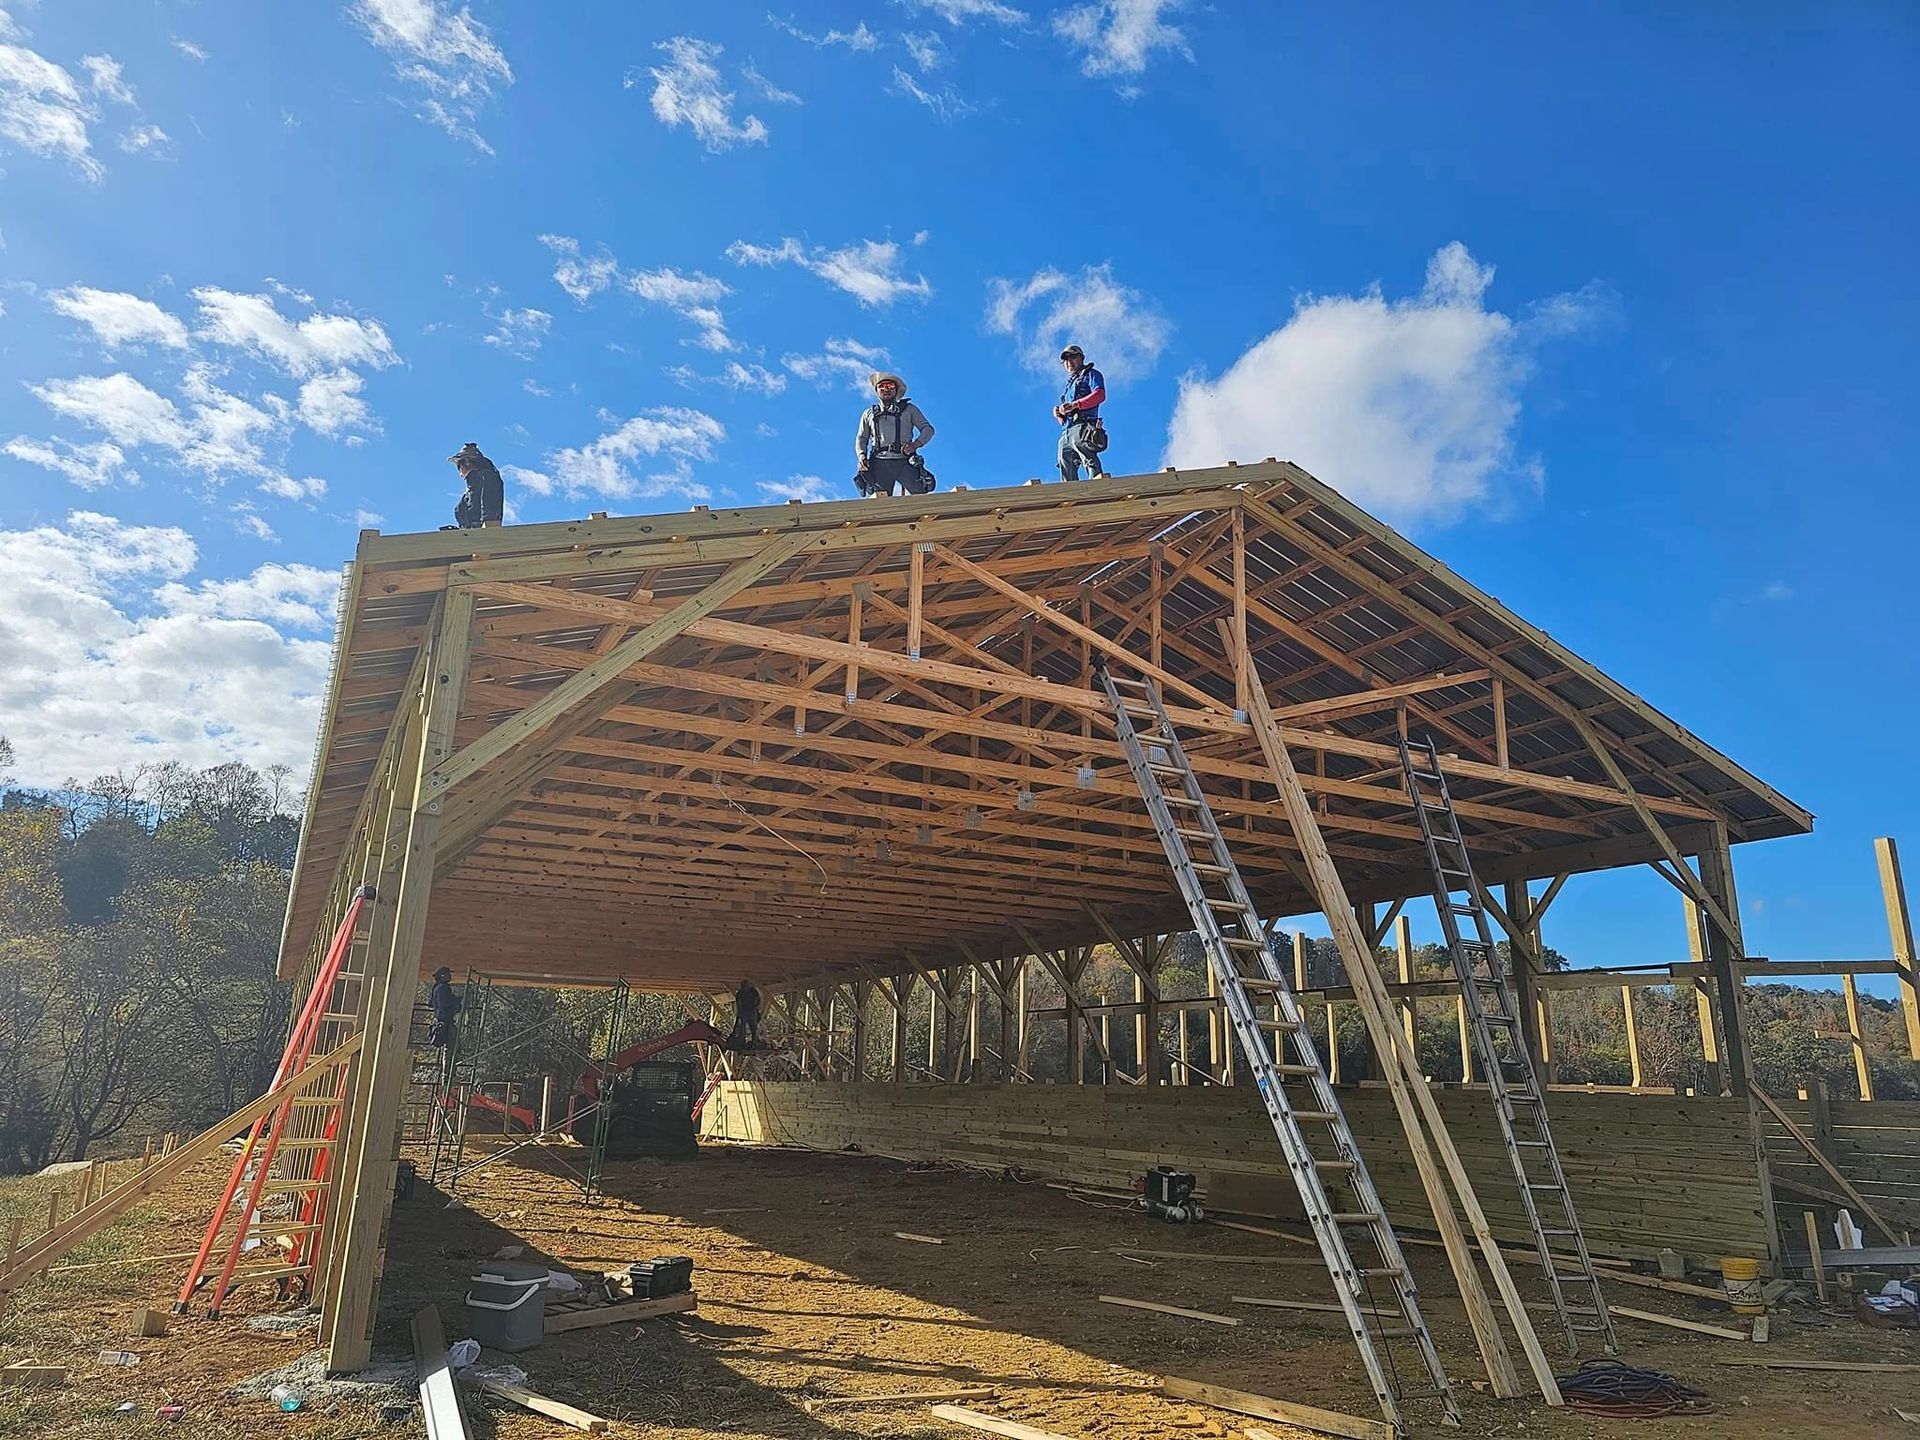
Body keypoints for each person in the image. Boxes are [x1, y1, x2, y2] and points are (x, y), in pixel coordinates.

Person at [854, 372, 936, 497]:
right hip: (879, 463)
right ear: (876, 391)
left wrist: (915, 445)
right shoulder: (869, 414)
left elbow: (928, 429)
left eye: (890, 386)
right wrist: (862, 457)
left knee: (921, 496)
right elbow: (862, 438)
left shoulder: (909, 409)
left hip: (904, 461)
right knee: (881, 503)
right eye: (881, 386)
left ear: (896, 390)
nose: (886, 389)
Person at [1053, 345, 1108, 482]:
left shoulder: (1091, 374)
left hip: (1084, 425)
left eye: (1072, 357)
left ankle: (1097, 484)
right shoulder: (1070, 384)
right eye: (1065, 359)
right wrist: (1060, 415)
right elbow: (1067, 416)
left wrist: (1076, 405)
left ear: (1081, 358)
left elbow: (1100, 395)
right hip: (1068, 430)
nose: (1069, 362)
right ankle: (1071, 492)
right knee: (1064, 456)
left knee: (1085, 453)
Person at [448, 442, 504, 528]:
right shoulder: (467, 494)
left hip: (483, 536)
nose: (460, 472)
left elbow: (491, 509)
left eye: (459, 466)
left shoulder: (487, 477)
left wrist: (488, 530)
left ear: (467, 462)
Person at [732, 978, 763, 1049]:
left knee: (754, 1028)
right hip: (744, 1012)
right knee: (743, 1028)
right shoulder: (740, 993)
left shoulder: (753, 991)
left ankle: (754, 1042)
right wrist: (740, 1014)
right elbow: (739, 1004)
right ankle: (742, 1042)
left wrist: (755, 1008)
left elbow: (758, 1000)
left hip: (752, 1011)